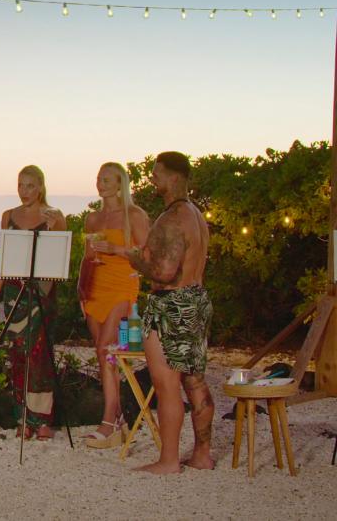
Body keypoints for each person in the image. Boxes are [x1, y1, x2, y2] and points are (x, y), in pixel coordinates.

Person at [126, 151, 214, 473]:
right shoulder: (196, 215)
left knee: (166, 385)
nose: (152, 179)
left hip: (171, 305)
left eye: (157, 173)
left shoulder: (173, 218)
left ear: (173, 177)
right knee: (195, 382)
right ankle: (202, 456)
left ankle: (168, 460)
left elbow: (164, 270)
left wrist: (133, 257)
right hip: (195, 299)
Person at [0, 165, 66, 440]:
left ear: (41, 186)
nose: (24, 191)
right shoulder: (8, 216)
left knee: (41, 354)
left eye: (30, 186)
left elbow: (58, 258)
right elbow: (4, 257)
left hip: (42, 292)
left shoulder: (55, 216)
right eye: (20, 185)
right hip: (14, 293)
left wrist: (55, 230)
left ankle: (43, 418)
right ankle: (22, 417)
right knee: (18, 354)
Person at [78, 162, 150, 449]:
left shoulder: (135, 215)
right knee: (106, 357)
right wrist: (81, 292)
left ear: (121, 183)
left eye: (107, 178)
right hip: (96, 287)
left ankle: (108, 421)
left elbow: (147, 253)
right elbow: (86, 258)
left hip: (122, 284)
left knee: (105, 348)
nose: (101, 182)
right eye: (99, 178)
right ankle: (118, 417)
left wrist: (117, 250)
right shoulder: (92, 219)